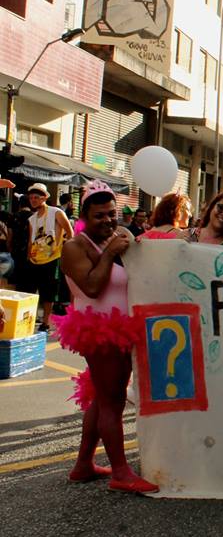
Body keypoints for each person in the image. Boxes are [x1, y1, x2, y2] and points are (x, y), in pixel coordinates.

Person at [53, 180, 158, 493]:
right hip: (99, 332)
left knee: (102, 397)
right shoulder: (75, 246)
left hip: (121, 330)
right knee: (112, 401)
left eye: (112, 213)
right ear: (85, 215)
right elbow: (92, 287)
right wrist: (111, 253)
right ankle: (121, 473)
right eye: (99, 215)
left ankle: (83, 465)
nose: (108, 220)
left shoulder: (115, 238)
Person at [22, 183, 74, 331]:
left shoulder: (56, 212)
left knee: (48, 292)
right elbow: (31, 241)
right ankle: (29, 321)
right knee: (31, 291)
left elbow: (70, 233)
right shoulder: (31, 219)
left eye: (36, 197)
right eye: (31, 198)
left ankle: (45, 322)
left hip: (52, 258)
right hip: (34, 259)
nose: (33, 200)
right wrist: (28, 257)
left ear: (44, 198)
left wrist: (65, 253)